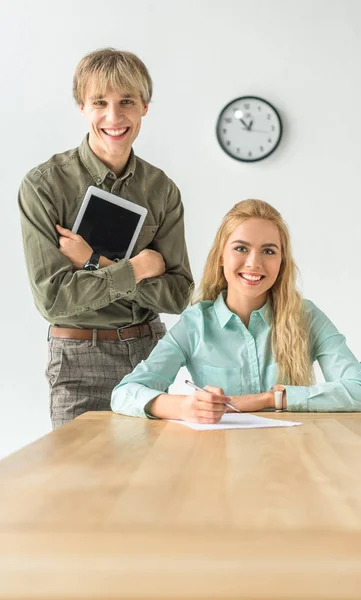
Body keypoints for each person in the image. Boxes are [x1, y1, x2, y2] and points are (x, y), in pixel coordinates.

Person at [18, 48, 193, 428]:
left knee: (151, 483)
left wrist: (97, 264)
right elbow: (54, 299)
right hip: (78, 358)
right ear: (82, 107)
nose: (114, 117)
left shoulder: (161, 190)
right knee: (81, 483)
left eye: (126, 101)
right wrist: (139, 269)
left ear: (145, 106)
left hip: (149, 357)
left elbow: (179, 294)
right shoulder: (44, 186)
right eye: (100, 102)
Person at [111, 199, 361, 423]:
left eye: (269, 251)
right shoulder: (196, 323)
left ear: (281, 262)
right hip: (219, 459)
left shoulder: (306, 316)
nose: (254, 263)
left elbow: (360, 391)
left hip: (291, 458)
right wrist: (183, 406)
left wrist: (269, 399)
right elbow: (124, 393)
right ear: (221, 256)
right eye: (241, 248)